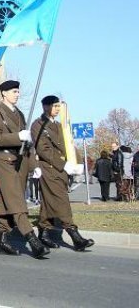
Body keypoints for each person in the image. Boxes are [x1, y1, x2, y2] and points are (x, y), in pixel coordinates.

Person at [0, 80, 49, 259]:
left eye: (18, 91)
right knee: (16, 200)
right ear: (4, 93)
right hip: (4, 159)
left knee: (8, 202)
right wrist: (16, 136)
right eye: (14, 91)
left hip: (21, 160)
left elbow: (28, 143)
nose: (17, 94)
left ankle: (3, 240)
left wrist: (34, 165)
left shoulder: (20, 114)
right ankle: (31, 239)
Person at [31, 95, 94, 251]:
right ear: (45, 107)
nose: (57, 109)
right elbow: (43, 149)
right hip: (50, 169)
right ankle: (75, 235)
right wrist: (63, 164)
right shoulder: (38, 125)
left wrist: (78, 163)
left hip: (62, 170)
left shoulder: (60, 125)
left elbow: (70, 144)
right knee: (62, 200)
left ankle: (44, 233)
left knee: (48, 201)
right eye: (54, 106)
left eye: (59, 106)